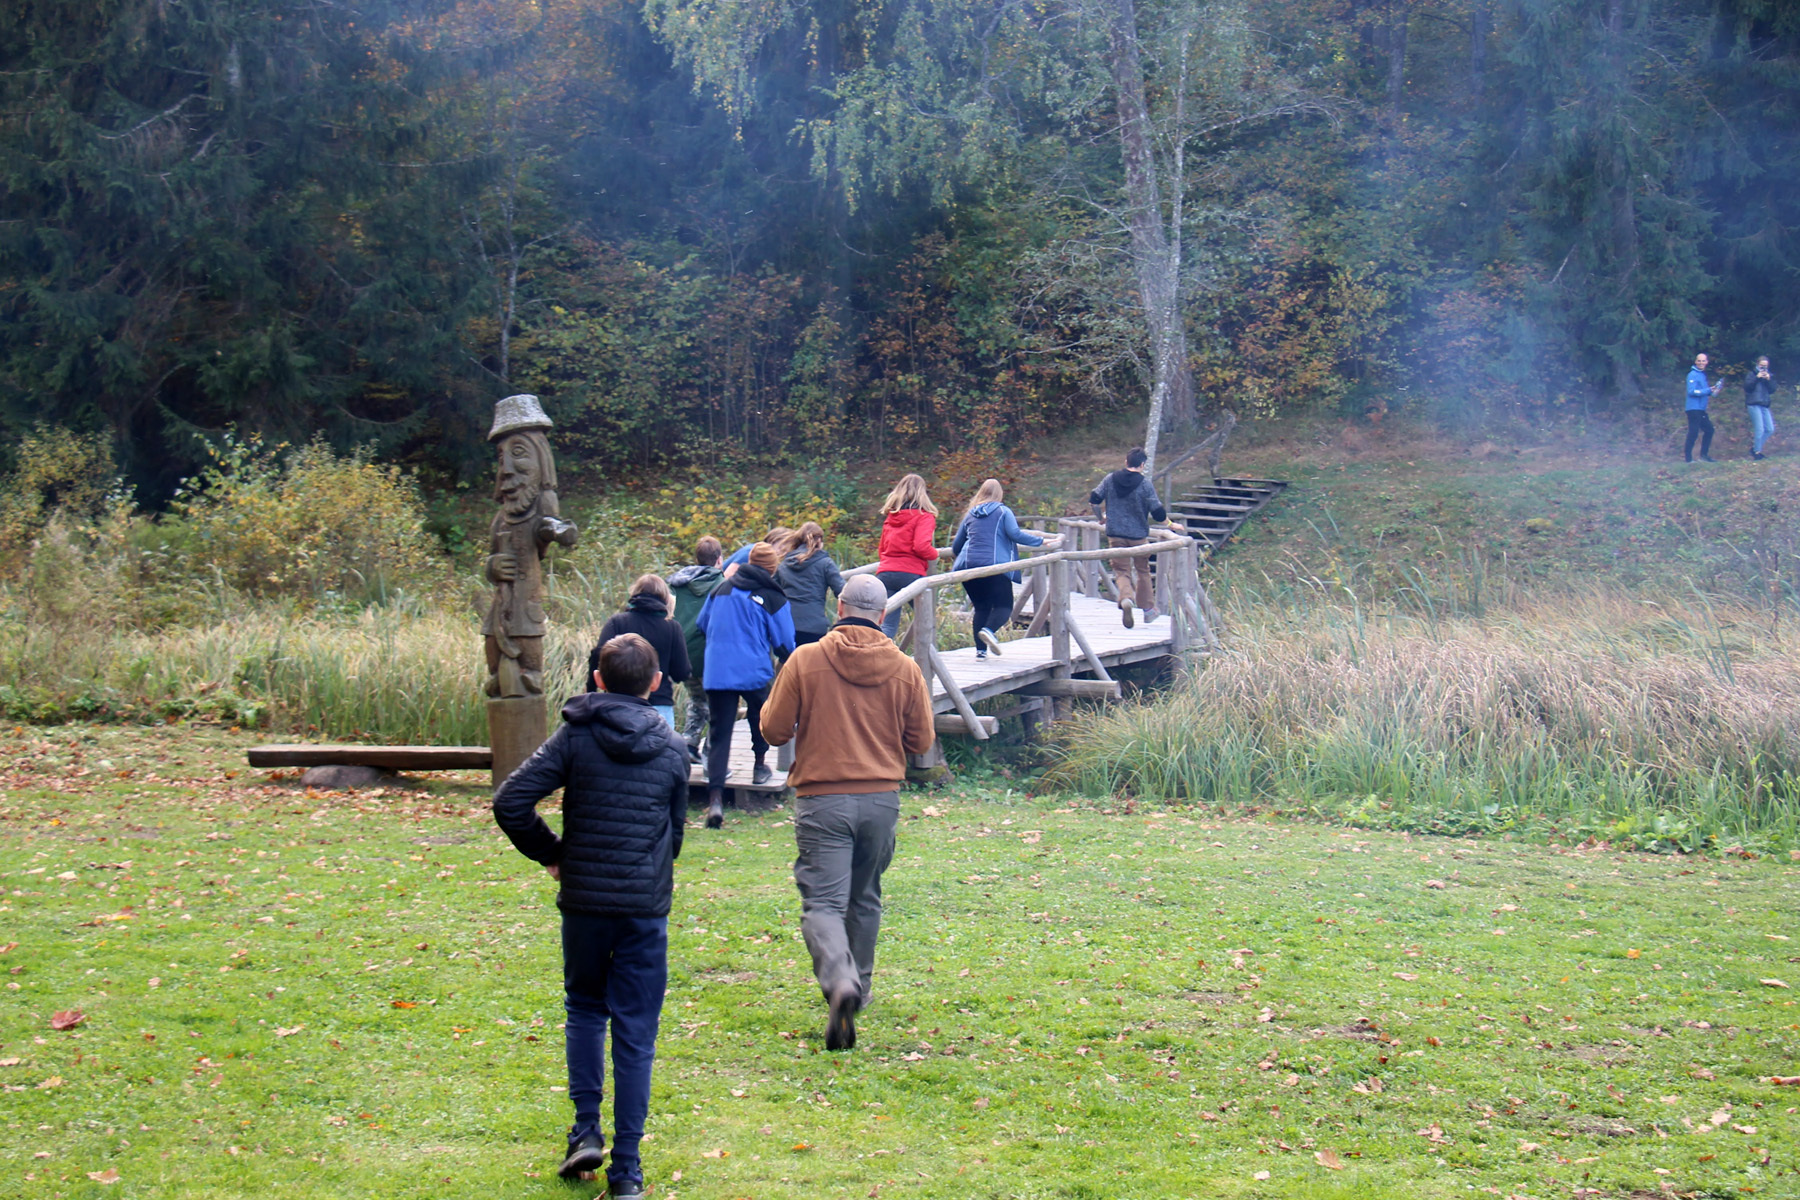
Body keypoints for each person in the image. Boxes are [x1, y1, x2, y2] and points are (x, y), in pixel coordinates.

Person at [491, 633, 689, 1198]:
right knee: (636, 1029)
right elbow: (674, 834)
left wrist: (554, 854)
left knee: (584, 1007)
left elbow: (510, 800)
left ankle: (585, 1128)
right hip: (643, 905)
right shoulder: (673, 747)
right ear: (657, 683)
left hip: (585, 901)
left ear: (598, 679)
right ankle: (627, 1168)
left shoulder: (575, 736)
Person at [762, 574, 935, 1051]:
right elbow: (922, 741)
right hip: (880, 799)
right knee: (865, 895)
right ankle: (860, 985)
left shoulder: (806, 659)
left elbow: (774, 731)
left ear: (839, 608)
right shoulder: (905, 669)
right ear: (882, 614)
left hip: (823, 799)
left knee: (823, 903)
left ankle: (841, 982)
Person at [695, 541, 796, 828]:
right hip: (753, 668)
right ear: (773, 568)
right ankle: (759, 767)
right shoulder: (772, 596)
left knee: (720, 731)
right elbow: (785, 642)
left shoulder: (721, 589)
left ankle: (715, 799)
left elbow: (702, 624)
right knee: (761, 716)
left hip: (718, 669)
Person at [949, 479, 1058, 661]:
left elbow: (956, 547)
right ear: (999, 494)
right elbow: (1015, 534)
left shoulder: (970, 515)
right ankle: (989, 630)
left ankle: (981, 652)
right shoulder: (1003, 511)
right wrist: (1041, 541)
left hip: (968, 567)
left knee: (981, 608)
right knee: (1004, 607)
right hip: (995, 567)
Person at [589, 575, 692, 732]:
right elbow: (681, 673)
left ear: (634, 594)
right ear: (665, 598)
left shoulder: (617, 622)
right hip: (659, 706)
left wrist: (590, 691)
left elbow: (598, 656)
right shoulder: (672, 628)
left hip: (616, 704)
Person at [1088, 447, 1168, 628]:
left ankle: (1126, 598)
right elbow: (1157, 511)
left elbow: (1094, 500)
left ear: (1126, 462)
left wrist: (1101, 519)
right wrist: (1170, 524)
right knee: (1143, 571)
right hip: (1138, 536)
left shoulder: (1110, 479)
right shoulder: (1145, 484)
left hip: (1116, 534)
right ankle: (1148, 610)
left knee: (1121, 570)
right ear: (1142, 465)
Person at [667, 538, 728, 762]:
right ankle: (712, 754)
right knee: (718, 704)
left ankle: (690, 743)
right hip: (709, 655)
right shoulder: (722, 584)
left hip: (681, 653)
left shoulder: (677, 584)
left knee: (696, 697)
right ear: (719, 559)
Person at [874, 474, 940, 639]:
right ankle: (927, 654)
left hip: (886, 572)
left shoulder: (891, 516)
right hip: (910, 574)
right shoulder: (924, 516)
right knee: (926, 618)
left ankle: (877, 651)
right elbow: (921, 546)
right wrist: (935, 554)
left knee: (888, 625)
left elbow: (882, 549)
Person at [776, 522, 848, 646]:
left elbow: (772, 590)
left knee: (790, 658)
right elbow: (843, 592)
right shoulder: (825, 563)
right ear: (819, 541)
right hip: (814, 627)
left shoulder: (784, 564)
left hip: (787, 625)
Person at [1685, 352, 1723, 463]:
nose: (1701, 363)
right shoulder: (1692, 374)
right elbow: (1692, 391)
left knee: (1709, 430)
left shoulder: (1702, 375)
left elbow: (1704, 392)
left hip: (1701, 409)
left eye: (1703, 361)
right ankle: (1688, 459)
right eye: (1699, 361)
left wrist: (1713, 390)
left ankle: (1704, 456)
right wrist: (1708, 390)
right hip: (1693, 408)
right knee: (1693, 432)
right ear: (1695, 362)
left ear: (1707, 362)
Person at [1745, 356, 1778, 461]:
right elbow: (1747, 387)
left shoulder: (1768, 375)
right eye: (1761, 365)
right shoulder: (1751, 374)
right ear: (1757, 364)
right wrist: (1757, 378)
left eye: (1765, 366)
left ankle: (1755, 448)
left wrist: (1768, 380)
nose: (1763, 368)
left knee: (1770, 429)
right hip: (1753, 403)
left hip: (1764, 404)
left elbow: (1773, 389)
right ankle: (1757, 452)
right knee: (1759, 429)